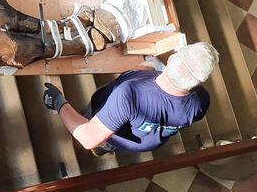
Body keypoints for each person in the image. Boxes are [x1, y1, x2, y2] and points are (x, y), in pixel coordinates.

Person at [42, 42, 217, 155]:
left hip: (115, 135)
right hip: (142, 142)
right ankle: (106, 147)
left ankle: (104, 147)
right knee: (110, 141)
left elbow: (88, 138)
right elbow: (171, 95)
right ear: (198, 82)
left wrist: (59, 102)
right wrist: (159, 68)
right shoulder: (201, 101)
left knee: (100, 137)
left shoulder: (129, 94)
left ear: (171, 58)